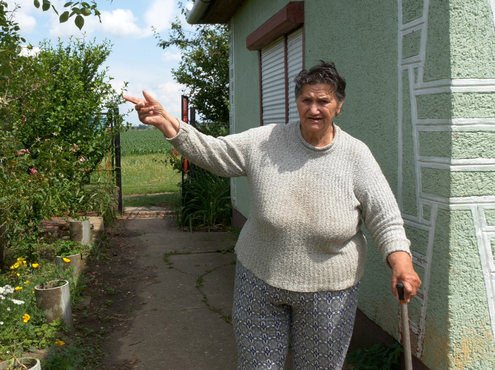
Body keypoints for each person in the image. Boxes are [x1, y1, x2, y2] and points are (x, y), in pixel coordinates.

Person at [124, 61, 421, 370]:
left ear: (339, 105)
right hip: (260, 279)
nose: (314, 109)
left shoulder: (356, 155)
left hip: (329, 292)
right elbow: (214, 152)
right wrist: (166, 122)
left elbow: (384, 216)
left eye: (324, 101)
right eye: (307, 99)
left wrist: (402, 264)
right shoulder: (266, 141)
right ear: (297, 102)